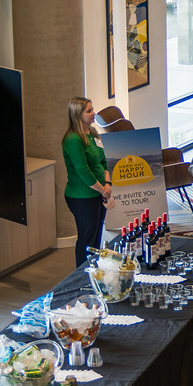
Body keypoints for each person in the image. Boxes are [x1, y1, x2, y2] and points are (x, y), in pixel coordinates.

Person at [62, 97, 111, 267]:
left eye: (92, 109)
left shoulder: (93, 132)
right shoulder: (73, 139)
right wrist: (102, 189)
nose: (93, 113)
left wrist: (108, 184)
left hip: (98, 193)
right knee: (87, 237)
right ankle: (82, 275)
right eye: (89, 111)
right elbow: (82, 171)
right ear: (78, 114)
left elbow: (103, 161)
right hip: (81, 196)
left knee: (96, 235)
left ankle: (94, 271)